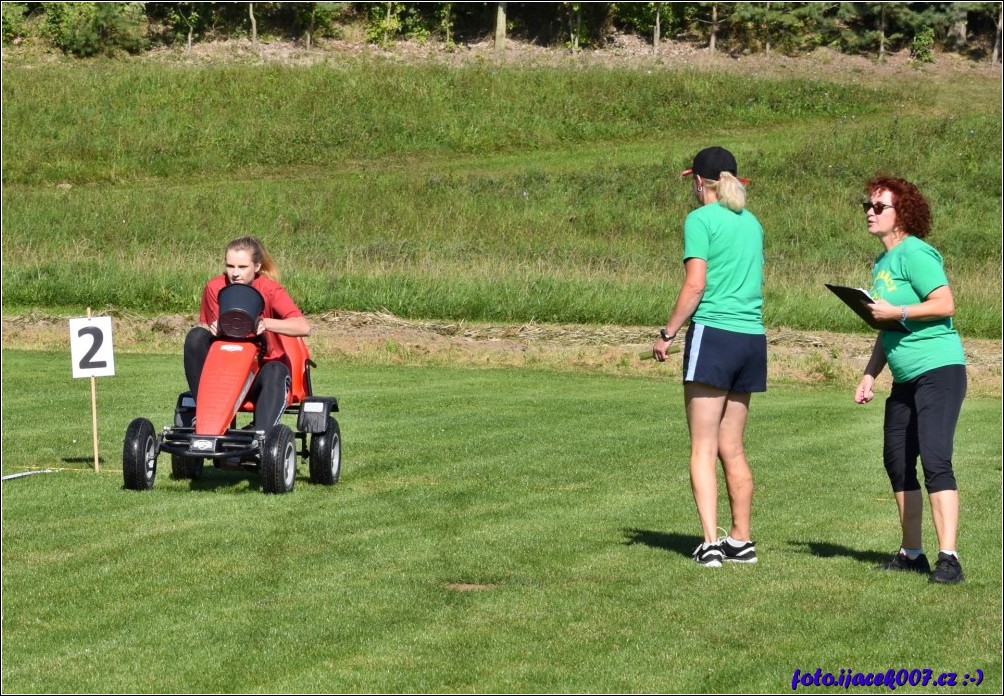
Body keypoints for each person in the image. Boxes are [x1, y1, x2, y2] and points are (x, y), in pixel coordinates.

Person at [652, 146, 766, 568]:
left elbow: (695, 285)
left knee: (702, 446)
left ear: (698, 181)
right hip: (752, 339)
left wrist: (667, 334)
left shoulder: (699, 220)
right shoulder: (752, 222)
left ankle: (710, 544)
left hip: (714, 335)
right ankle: (741, 539)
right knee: (731, 447)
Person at [853, 176, 967, 585]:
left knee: (936, 461)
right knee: (897, 461)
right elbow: (886, 328)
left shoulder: (915, 253)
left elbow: (944, 302)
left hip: (939, 369)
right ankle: (912, 553)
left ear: (902, 214)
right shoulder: (882, 264)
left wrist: (898, 313)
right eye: (867, 204)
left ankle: (949, 559)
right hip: (903, 378)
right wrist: (870, 373)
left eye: (879, 206)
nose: (870, 211)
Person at [183, 236, 311, 433]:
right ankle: (204, 417)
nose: (235, 274)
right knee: (196, 337)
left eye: (242, 267)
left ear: (257, 266)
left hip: (263, 374)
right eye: (230, 266)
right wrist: (214, 330)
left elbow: (303, 327)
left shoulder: (270, 289)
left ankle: (261, 436)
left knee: (276, 370)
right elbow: (210, 335)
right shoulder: (215, 288)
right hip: (226, 374)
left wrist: (265, 324)